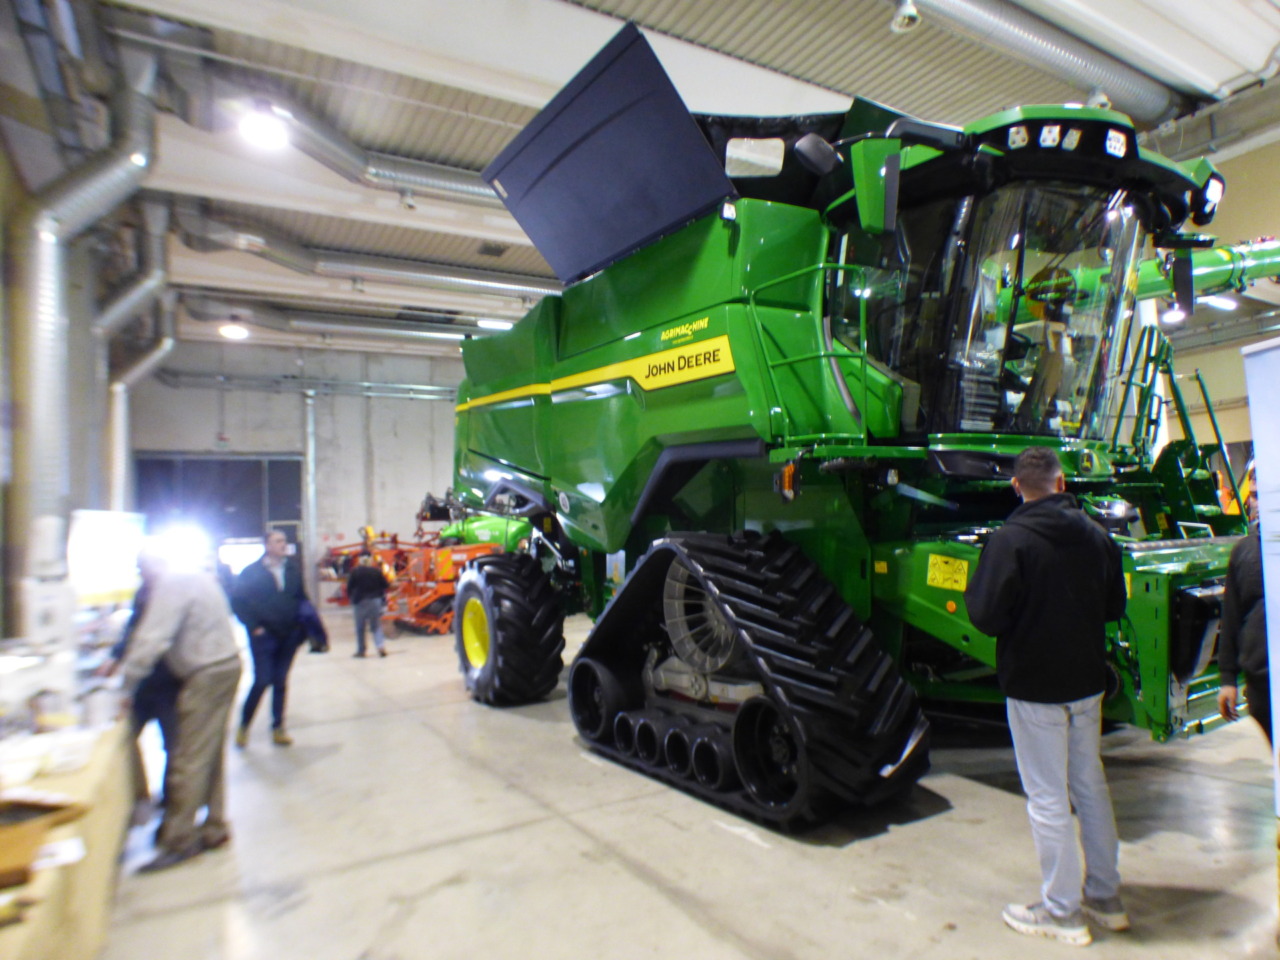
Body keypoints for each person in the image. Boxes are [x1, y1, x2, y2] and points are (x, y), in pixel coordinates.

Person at [965, 445, 1129, 946]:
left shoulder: (1010, 541)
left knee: (1048, 798)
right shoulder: (1098, 536)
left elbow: (986, 616)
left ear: (1017, 487)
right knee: (1090, 786)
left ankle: (1062, 912)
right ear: (1062, 483)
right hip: (1086, 684)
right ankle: (1105, 898)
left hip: (1035, 688)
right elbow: (1114, 606)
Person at [118, 557, 242, 872]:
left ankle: (180, 840)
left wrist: (125, 687)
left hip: (206, 672)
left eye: (141, 572)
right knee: (210, 752)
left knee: (188, 758)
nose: (141, 579)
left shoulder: (170, 585)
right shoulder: (195, 575)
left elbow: (151, 639)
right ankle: (214, 827)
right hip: (226, 664)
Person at [97, 551, 180, 811]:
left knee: (173, 744)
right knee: (126, 737)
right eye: (139, 569)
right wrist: (115, 657)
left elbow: (157, 641)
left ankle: (171, 799)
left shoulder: (174, 594)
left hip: (168, 680)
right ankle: (137, 795)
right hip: (144, 682)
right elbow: (133, 628)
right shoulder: (143, 593)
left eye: (145, 568)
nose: (143, 574)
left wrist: (126, 683)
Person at [232, 530, 309, 747]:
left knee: (280, 681)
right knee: (262, 680)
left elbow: (301, 598)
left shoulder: (292, 569)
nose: (283, 544)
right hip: (264, 636)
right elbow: (237, 602)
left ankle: (278, 728)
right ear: (267, 545)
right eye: (278, 541)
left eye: (284, 541)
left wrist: (304, 627)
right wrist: (254, 627)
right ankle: (244, 726)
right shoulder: (252, 572)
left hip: (288, 635)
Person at [1218, 489, 1269, 742]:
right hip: (1261, 684)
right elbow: (1232, 617)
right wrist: (1228, 679)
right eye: (1255, 495)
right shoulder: (1243, 551)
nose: (1256, 502)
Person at [347, 553, 390, 658]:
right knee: (376, 626)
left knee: (360, 627)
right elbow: (385, 585)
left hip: (360, 601)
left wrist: (352, 598)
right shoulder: (376, 571)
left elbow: (349, 587)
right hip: (375, 601)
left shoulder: (355, 572)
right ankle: (380, 647)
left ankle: (361, 651)